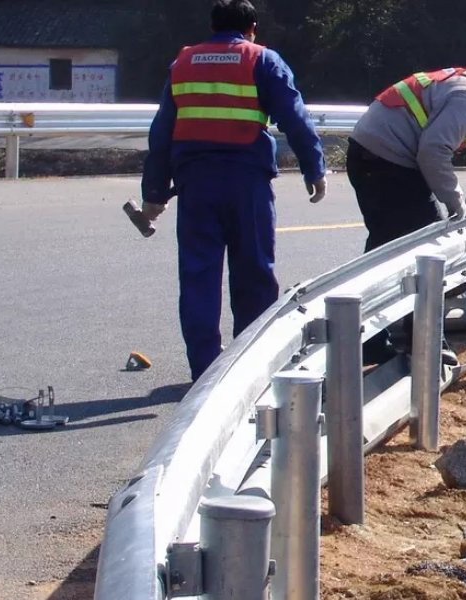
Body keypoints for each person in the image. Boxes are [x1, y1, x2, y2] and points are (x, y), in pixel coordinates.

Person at [139, 0, 327, 382]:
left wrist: (154, 191)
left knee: (198, 277)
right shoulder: (262, 59)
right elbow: (295, 118)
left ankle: (204, 374)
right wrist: (314, 168)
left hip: (195, 183)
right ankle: (248, 370)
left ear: (212, 27)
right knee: (254, 273)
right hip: (247, 182)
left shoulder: (184, 62)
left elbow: (162, 132)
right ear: (252, 28)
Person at [346, 63, 466, 363]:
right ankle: (421, 340)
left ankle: (378, 339)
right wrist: (455, 201)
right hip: (385, 162)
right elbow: (433, 150)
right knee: (431, 253)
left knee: (388, 250)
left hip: (376, 155)